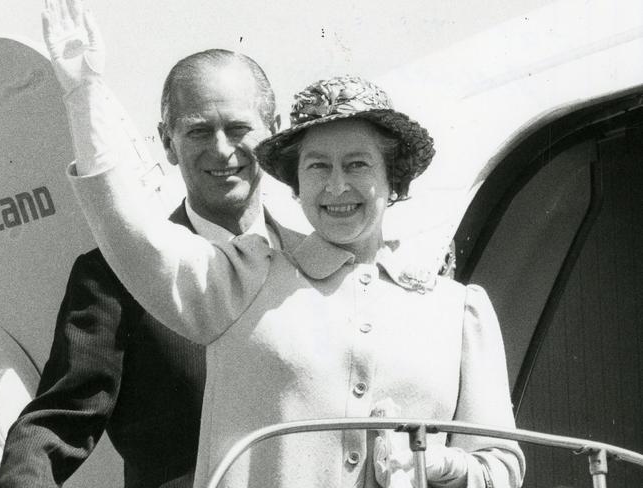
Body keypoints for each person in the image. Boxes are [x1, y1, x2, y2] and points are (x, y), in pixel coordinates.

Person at [43, 1, 526, 487]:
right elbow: (133, 238)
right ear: (295, 180)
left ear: (393, 178)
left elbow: (500, 467)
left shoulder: (457, 311)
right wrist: (83, 94)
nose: (336, 187)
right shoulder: (244, 277)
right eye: (317, 166)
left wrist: (437, 463)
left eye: (357, 164)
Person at [0, 7, 293, 487]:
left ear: (273, 130)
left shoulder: (311, 264)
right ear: (167, 143)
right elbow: (55, 423)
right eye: (197, 131)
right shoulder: (114, 276)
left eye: (238, 128)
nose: (221, 149)